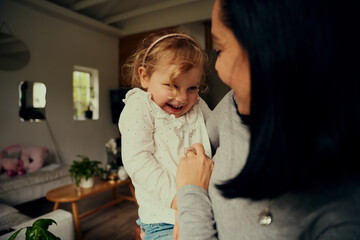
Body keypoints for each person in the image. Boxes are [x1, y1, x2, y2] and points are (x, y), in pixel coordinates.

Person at [175, 0, 360, 239]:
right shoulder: (232, 107)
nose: (217, 68)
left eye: (220, 49)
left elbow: (191, 182)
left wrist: (191, 197)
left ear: (274, 54)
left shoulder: (345, 217)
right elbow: (193, 156)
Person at [119, 30, 212, 240]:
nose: (182, 97)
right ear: (145, 77)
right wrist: (181, 200)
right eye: (172, 86)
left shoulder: (198, 105)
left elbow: (217, 132)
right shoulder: (140, 106)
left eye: (192, 87)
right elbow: (138, 161)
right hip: (162, 219)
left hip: (204, 207)